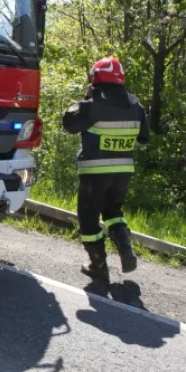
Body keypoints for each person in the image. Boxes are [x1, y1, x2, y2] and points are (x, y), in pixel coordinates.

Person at [62, 56, 149, 282]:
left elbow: (68, 123)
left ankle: (97, 265)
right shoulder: (136, 106)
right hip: (122, 175)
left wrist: (85, 99)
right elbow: (144, 137)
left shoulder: (93, 104)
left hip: (94, 175)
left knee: (89, 220)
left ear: (95, 78)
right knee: (113, 213)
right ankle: (126, 250)